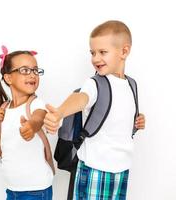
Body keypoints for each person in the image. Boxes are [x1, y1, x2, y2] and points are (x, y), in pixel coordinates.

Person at [44, 20, 145, 199]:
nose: (95, 58)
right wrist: (60, 112)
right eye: (93, 53)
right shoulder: (94, 83)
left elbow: (119, 117)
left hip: (121, 169)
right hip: (94, 169)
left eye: (102, 52)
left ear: (124, 51)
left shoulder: (132, 85)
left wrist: (137, 121)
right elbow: (81, 99)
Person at [0, 46, 53, 200]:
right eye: (25, 70)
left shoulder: (35, 103)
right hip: (12, 190)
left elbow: (39, 116)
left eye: (35, 70)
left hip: (36, 191)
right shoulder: (2, 110)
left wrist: (32, 126)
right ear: (8, 78)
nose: (32, 75)